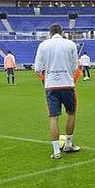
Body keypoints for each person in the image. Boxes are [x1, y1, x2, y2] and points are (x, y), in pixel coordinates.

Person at [34, 23, 81, 159]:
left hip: (51, 86)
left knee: (54, 118)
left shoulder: (43, 45)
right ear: (62, 32)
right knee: (71, 113)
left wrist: (49, 73)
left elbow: (37, 68)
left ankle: (56, 151)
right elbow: (74, 67)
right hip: (67, 84)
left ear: (50, 33)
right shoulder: (70, 44)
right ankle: (68, 144)